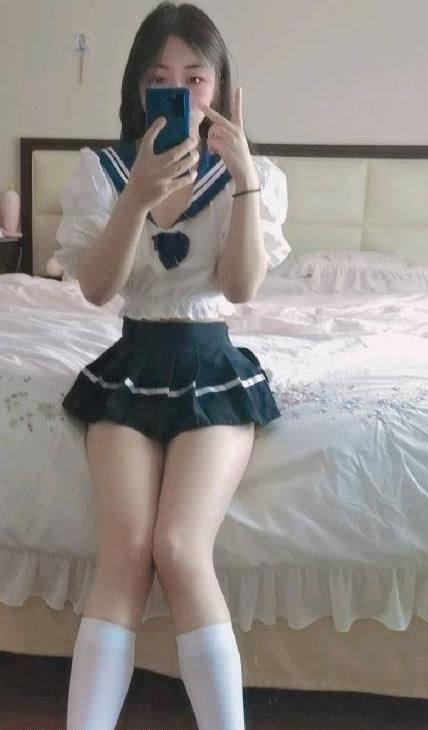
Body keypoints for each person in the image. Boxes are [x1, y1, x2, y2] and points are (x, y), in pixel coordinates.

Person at [53, 3, 291, 729]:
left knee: (181, 547)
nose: (178, 93)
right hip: (130, 362)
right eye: (160, 78)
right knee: (126, 549)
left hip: (213, 366)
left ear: (220, 88)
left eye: (195, 78)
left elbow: (241, 287)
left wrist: (244, 180)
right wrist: (135, 199)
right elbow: (97, 289)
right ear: (137, 86)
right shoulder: (104, 173)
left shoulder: (253, 175)